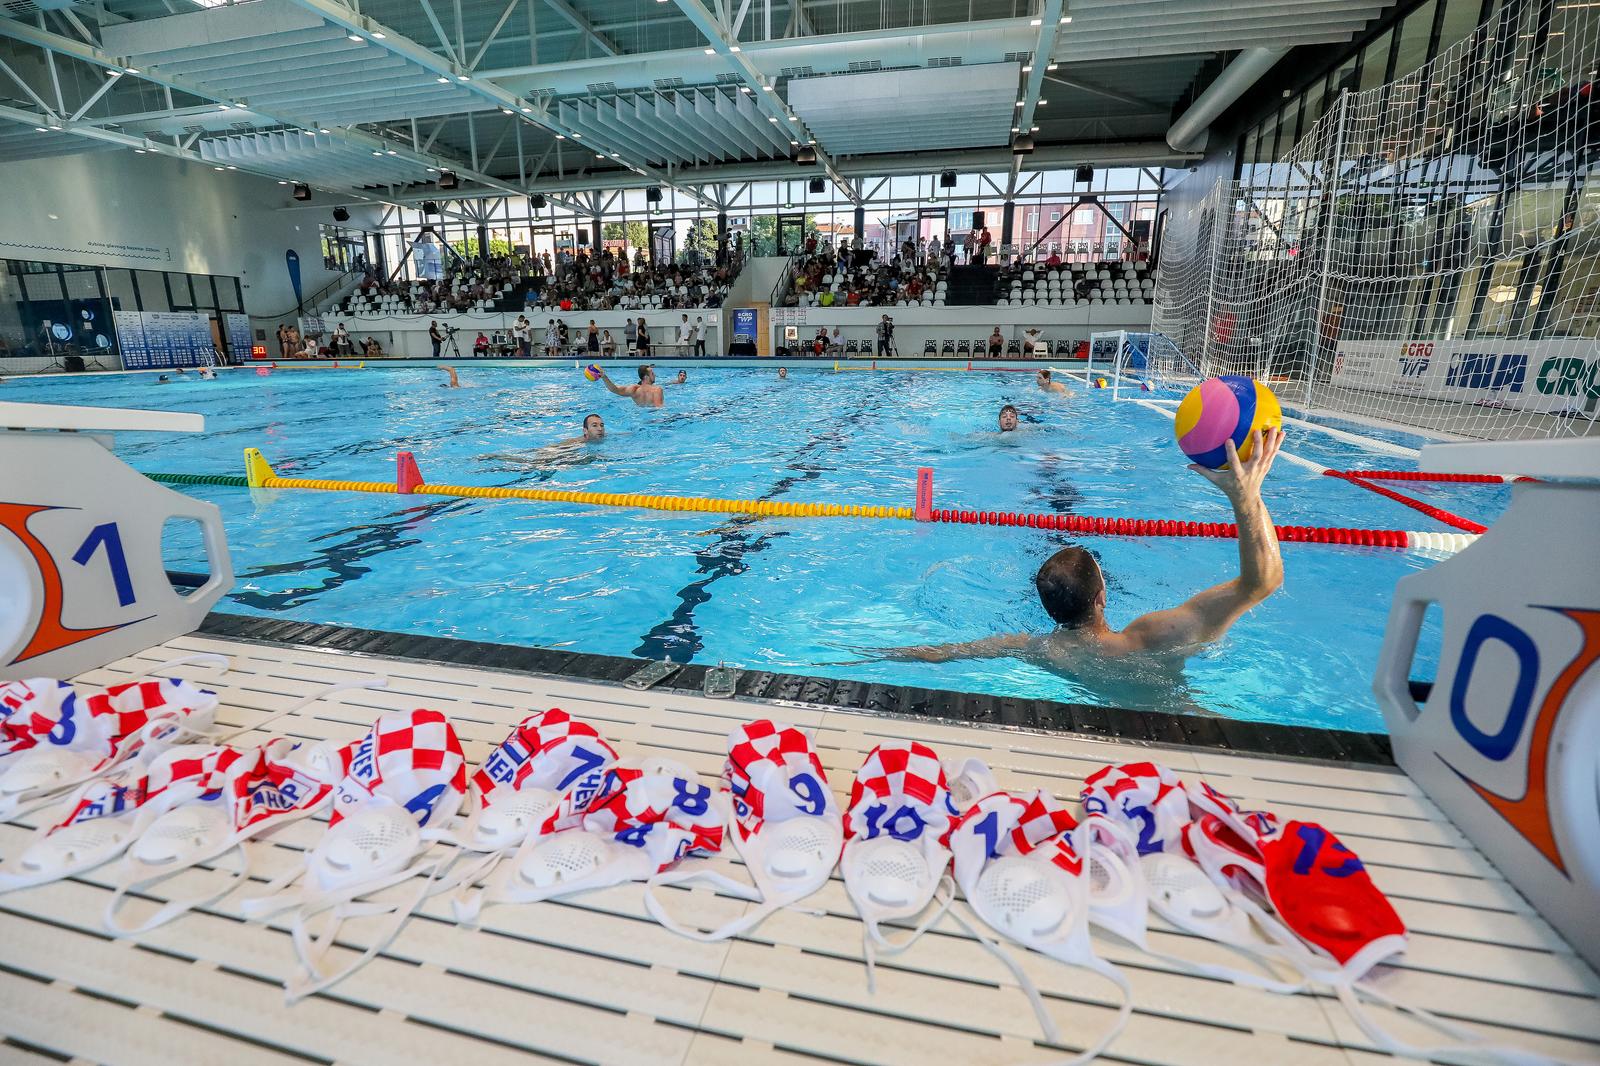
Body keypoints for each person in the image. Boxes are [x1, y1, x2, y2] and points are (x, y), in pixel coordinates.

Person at [870, 428, 1286, 678]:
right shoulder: (1153, 638)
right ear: (1103, 596)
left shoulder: (1037, 648)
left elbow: (944, 653)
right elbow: (1262, 583)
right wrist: (1246, 496)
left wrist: (879, 654)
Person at [595, 364, 669, 408]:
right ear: (646, 377)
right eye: (652, 374)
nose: (655, 375)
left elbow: (614, 389)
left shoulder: (634, 390)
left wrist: (604, 377)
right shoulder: (657, 389)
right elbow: (659, 409)